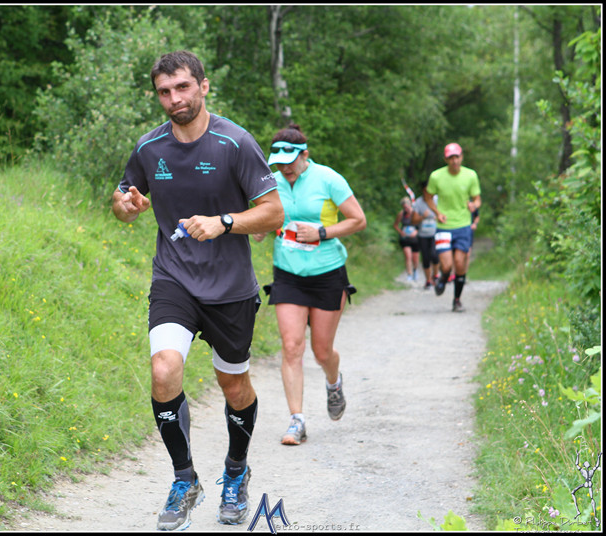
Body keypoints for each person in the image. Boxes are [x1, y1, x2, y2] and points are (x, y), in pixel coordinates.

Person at [111, 50, 284, 531]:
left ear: (203, 86)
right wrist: (127, 206)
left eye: (183, 87)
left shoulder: (235, 143)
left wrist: (224, 221)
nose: (175, 99)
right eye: (164, 92)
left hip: (230, 287)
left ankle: (236, 471)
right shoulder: (149, 147)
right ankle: (184, 479)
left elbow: (273, 212)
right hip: (174, 278)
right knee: (164, 369)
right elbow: (122, 201)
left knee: (234, 385)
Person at [252, 124, 366, 446]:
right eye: (279, 163)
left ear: (305, 155)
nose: (285, 169)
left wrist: (321, 232)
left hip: (327, 272)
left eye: (290, 162)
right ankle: (297, 420)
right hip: (288, 272)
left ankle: (333, 382)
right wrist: (259, 227)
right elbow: (262, 222)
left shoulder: (328, 179)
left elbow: (358, 220)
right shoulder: (271, 183)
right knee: (291, 346)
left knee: (321, 350)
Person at [423, 142, 481, 312]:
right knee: (447, 265)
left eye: (457, 157)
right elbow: (428, 197)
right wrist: (437, 212)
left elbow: (477, 198)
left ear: (461, 157)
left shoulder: (470, 175)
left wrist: (474, 206)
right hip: (444, 226)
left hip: (463, 225)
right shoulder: (436, 176)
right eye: (451, 158)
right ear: (446, 159)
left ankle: (457, 300)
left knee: (460, 263)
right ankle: (443, 278)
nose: (454, 161)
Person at [410, 180, 440, 289]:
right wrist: (423, 216)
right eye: (425, 190)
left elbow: (445, 214)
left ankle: (436, 276)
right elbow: (413, 221)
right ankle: (428, 281)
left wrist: (438, 216)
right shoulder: (418, 203)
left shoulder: (438, 200)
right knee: (426, 258)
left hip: (435, 233)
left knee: (435, 255)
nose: (427, 192)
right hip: (423, 235)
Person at [393, 197, 420, 282]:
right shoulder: (401, 214)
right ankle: (409, 274)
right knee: (408, 256)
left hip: (415, 239)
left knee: (415, 258)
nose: (406, 209)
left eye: (407, 207)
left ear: (410, 205)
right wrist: (401, 232)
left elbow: (420, 225)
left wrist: (416, 232)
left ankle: (415, 270)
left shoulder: (415, 213)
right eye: (404, 207)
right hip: (405, 239)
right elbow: (395, 225)